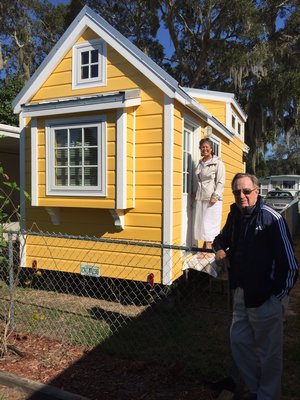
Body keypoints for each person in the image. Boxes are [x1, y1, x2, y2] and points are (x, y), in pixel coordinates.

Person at [213, 172, 298, 400]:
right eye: (237, 191)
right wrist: (220, 249)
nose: (242, 195)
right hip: (242, 293)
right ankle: (255, 388)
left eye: (246, 191)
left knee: (269, 354)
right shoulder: (235, 216)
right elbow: (221, 238)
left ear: (256, 191)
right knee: (239, 341)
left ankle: (267, 396)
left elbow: (290, 264)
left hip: (267, 297)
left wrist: (278, 298)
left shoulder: (272, 219)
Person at [194, 137, 225, 249]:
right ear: (200, 149)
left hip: (212, 199)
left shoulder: (217, 163)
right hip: (201, 197)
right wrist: (196, 193)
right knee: (202, 224)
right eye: (202, 147)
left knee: (209, 225)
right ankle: (206, 248)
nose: (205, 149)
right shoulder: (200, 164)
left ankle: (208, 252)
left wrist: (215, 196)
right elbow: (199, 181)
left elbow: (221, 181)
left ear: (211, 149)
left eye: (207, 147)